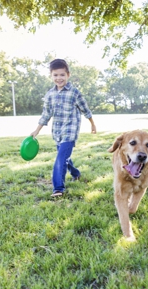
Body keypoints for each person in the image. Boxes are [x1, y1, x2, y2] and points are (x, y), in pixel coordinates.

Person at [31, 58, 97, 198]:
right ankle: (75, 173)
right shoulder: (50, 95)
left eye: (62, 75)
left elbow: (85, 109)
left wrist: (92, 124)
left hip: (70, 132)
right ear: (51, 76)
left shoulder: (74, 93)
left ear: (68, 75)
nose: (59, 78)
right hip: (57, 132)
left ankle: (58, 189)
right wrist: (36, 131)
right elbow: (46, 114)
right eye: (55, 75)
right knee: (64, 158)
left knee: (60, 158)